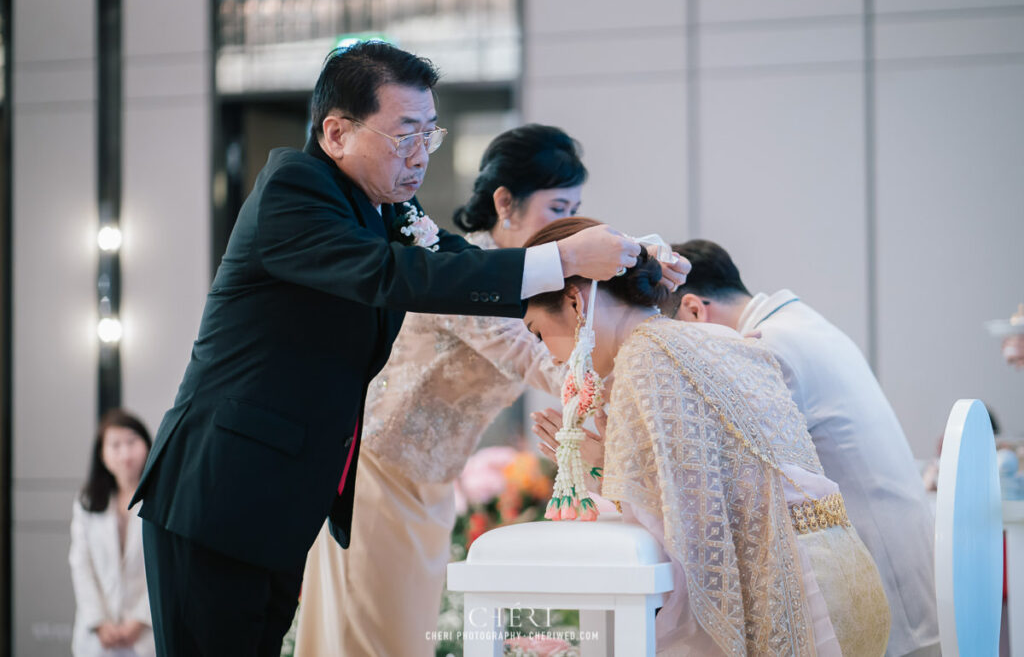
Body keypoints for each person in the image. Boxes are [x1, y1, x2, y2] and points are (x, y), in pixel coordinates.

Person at [129, 41, 687, 657]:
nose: (421, 155)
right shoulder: (294, 189)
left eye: (431, 135)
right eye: (404, 136)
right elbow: (397, 277)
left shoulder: (388, 207)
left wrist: (628, 263)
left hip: (284, 500)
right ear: (336, 132)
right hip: (220, 491)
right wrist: (563, 259)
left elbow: (462, 263)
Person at [527, 218, 890, 656]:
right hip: (849, 572)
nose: (549, 353)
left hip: (799, 594)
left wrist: (600, 469)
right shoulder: (706, 336)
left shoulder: (643, 360)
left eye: (538, 332)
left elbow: (691, 539)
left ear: (574, 301)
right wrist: (614, 461)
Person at [294, 123, 590, 655]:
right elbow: (535, 358)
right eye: (557, 208)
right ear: (506, 203)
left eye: (576, 209)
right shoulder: (464, 269)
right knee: (372, 636)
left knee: (407, 636)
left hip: (431, 484)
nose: (568, 227)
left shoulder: (534, 286)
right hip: (376, 472)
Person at [661, 239, 939, 656]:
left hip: (884, 592)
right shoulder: (798, 322)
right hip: (907, 560)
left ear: (694, 310)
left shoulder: (766, 348)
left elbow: (722, 482)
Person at [70, 409, 155, 657]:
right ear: (102, 455)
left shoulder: (161, 500)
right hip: (96, 638)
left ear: (147, 445)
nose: (125, 453)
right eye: (115, 445)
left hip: (145, 635)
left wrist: (140, 619)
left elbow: (166, 565)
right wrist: (99, 621)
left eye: (132, 441)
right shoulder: (87, 502)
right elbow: (81, 565)